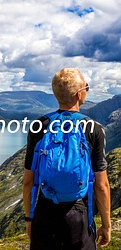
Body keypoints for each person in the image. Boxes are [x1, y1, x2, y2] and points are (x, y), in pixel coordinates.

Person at [23, 68, 111, 250]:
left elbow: (28, 181)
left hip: (45, 212)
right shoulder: (93, 129)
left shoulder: (39, 125)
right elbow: (101, 185)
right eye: (87, 87)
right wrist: (106, 225)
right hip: (78, 215)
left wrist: (29, 218)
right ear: (79, 94)